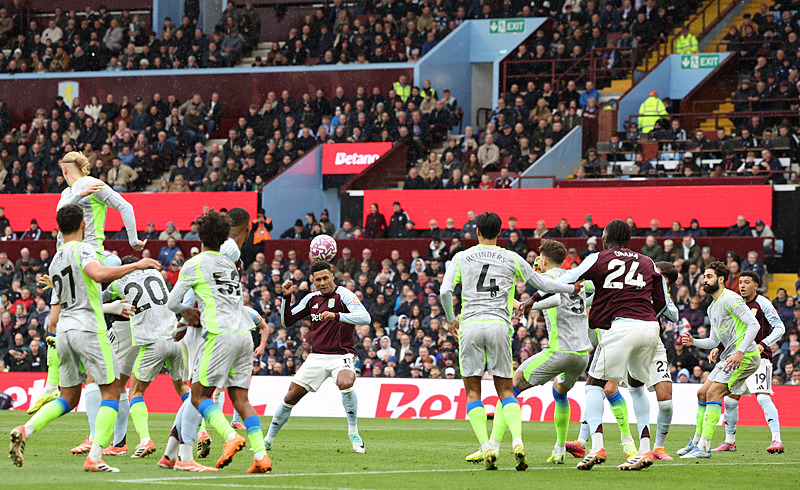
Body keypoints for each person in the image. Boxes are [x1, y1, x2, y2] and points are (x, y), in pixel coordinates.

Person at [9, 204, 160, 472]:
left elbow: (54, 317)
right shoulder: (85, 249)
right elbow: (98, 273)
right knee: (113, 391)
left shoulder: (55, 261)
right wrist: (138, 263)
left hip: (64, 331)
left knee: (68, 397)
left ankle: (25, 429)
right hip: (89, 328)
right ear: (83, 225)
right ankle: (96, 455)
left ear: (57, 228)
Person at [440, 212, 580, 471]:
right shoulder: (511, 257)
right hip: (499, 326)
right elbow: (542, 283)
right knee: (506, 390)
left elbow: (445, 290)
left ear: (477, 231)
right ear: (500, 233)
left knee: (473, 392)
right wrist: (571, 288)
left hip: (470, 325)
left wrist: (450, 319)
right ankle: (517, 441)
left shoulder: (461, 257)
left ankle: (486, 447)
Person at [556, 219, 669, 471]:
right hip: (650, 327)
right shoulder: (648, 261)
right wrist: (647, 316)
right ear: (628, 240)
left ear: (606, 237)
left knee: (593, 384)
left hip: (621, 327)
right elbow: (662, 301)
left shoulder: (599, 257)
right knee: (637, 387)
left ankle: (596, 446)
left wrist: (540, 292)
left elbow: (568, 278)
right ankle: (644, 450)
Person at [166, 210, 272, 473]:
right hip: (244, 335)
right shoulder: (230, 265)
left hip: (219, 335)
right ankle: (260, 456)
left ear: (199, 235)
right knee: (241, 400)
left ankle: (229, 435)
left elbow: (172, 302)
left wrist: (186, 314)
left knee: (199, 395)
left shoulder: (194, 263)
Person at [265, 261, 371, 454]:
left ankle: (353, 432)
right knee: (290, 396)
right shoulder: (311, 299)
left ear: (332, 276)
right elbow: (287, 321)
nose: (322, 283)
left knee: (346, 382)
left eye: (325, 278)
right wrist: (286, 299)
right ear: (312, 281)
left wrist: (336, 316)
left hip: (342, 355)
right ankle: (268, 439)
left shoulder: (344, 294)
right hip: (316, 357)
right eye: (318, 280)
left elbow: (365, 318)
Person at [506, 240, 595, 465]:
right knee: (559, 392)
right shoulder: (577, 279)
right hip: (581, 355)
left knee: (512, 386)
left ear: (543, 259)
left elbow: (554, 298)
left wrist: (523, 305)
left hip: (559, 351)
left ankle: (498, 443)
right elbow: (593, 290)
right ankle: (559, 449)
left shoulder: (548, 280)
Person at [101, 255, 190, 458]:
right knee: (183, 387)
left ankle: (144, 440)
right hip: (175, 337)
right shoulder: (155, 273)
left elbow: (97, 298)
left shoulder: (118, 283)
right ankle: (201, 432)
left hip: (151, 342)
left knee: (135, 391)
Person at [678, 262, 761, 459]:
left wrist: (740, 352)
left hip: (746, 356)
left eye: (709, 276)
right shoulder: (712, 307)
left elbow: (753, 324)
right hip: (728, 357)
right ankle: (697, 442)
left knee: (714, 392)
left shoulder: (731, 298)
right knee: (702, 393)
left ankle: (704, 447)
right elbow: (714, 340)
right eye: (704, 277)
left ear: (721, 279)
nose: (704, 281)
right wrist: (694, 342)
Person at [712, 271, 785, 454]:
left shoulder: (763, 304)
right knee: (730, 400)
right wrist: (719, 347)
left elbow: (780, 327)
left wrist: (763, 344)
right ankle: (730, 441)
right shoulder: (736, 303)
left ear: (756, 285)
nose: (742, 286)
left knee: (762, 396)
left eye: (747, 282)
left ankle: (777, 440)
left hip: (760, 358)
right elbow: (733, 331)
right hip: (738, 358)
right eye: (740, 282)